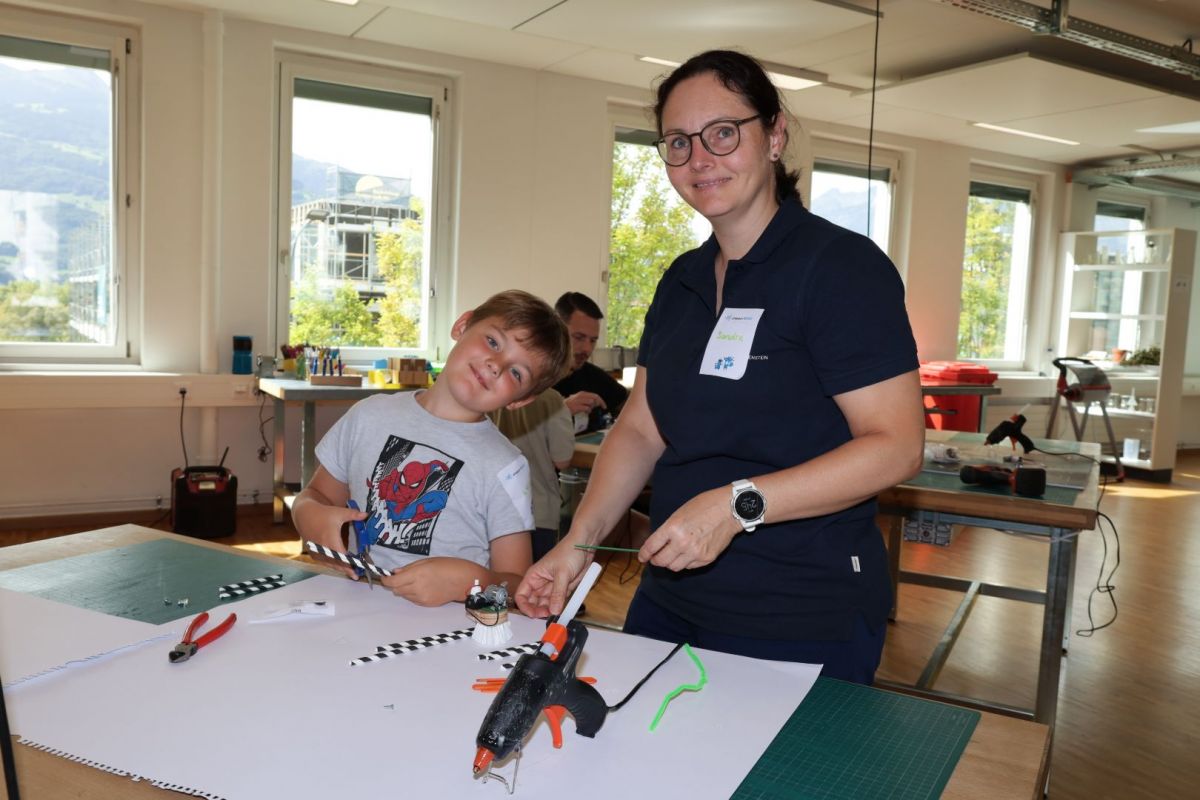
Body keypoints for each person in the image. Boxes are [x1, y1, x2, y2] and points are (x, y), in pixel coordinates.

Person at [516, 50, 925, 685]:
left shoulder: (840, 268)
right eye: (679, 142)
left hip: (801, 610)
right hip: (672, 596)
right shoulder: (680, 281)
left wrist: (737, 506)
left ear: (775, 136)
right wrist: (580, 542)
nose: (700, 158)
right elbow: (641, 430)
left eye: (723, 133)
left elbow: (896, 447)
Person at [293, 290, 570, 607]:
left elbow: (516, 587)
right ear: (462, 325)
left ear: (521, 400)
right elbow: (315, 496)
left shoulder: (507, 467)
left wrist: (470, 583)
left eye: (516, 373)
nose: (496, 365)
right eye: (493, 342)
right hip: (359, 612)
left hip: (451, 629)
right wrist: (308, 515)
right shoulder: (368, 416)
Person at [489, 388, 575, 562]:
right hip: (537, 508)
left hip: (494, 506)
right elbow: (562, 460)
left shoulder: (492, 392)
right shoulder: (551, 399)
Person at [552, 292, 628, 431]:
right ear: (556, 331)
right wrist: (561, 412)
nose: (587, 349)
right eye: (579, 337)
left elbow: (632, 407)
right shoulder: (529, 381)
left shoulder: (595, 377)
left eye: (593, 340)